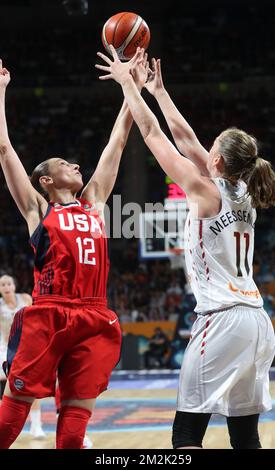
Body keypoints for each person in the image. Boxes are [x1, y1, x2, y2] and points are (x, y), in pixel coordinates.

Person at [96, 47, 275, 449]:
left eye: (211, 148)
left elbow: (154, 135)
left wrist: (129, 84)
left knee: (186, 433)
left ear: (216, 162)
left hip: (222, 319)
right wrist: (159, 92)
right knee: (245, 434)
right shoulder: (244, 187)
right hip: (256, 320)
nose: (205, 149)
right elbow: (187, 137)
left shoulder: (204, 190)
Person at [0, 50, 147, 449]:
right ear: (46, 179)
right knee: (14, 408)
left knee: (74, 429)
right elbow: (4, 149)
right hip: (50, 310)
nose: (76, 165)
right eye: (66, 163)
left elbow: (117, 142)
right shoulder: (37, 210)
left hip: (94, 313)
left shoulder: (94, 203)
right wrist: (0, 91)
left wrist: (130, 85)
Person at [0, 274, 46, 439]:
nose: (5, 287)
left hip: (26, 347)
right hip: (4, 349)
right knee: (5, 390)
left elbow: (38, 318)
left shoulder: (25, 299)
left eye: (8, 283)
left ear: (14, 286)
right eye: (2, 285)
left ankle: (36, 426)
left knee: (32, 386)